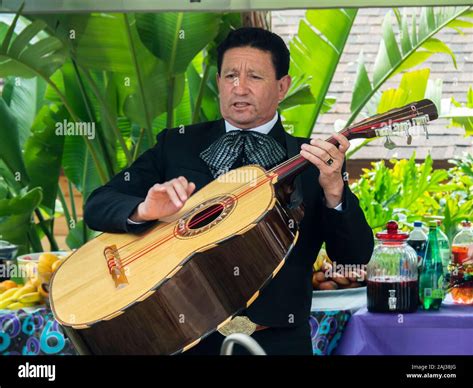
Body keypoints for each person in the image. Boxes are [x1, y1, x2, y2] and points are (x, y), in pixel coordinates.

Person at [84, 27, 374, 355]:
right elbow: (98, 204)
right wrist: (143, 210)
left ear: (282, 87)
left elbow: (355, 256)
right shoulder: (176, 145)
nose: (240, 87)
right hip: (185, 342)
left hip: (278, 343)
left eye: (254, 77)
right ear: (219, 82)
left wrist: (335, 190)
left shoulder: (313, 160)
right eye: (230, 75)